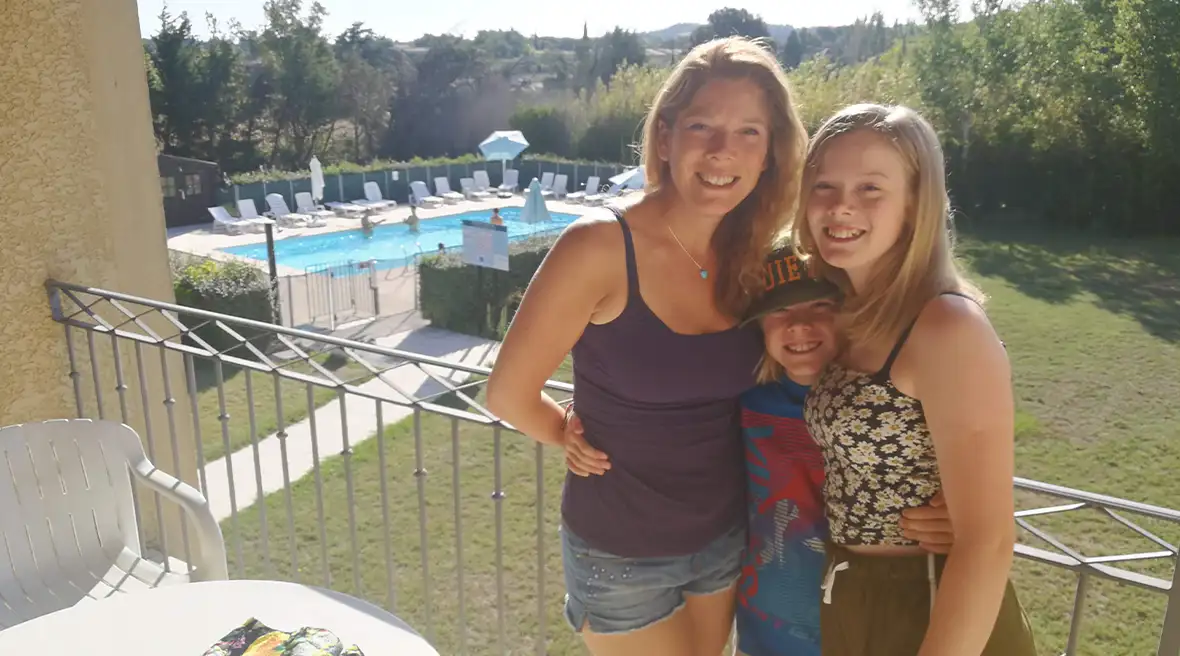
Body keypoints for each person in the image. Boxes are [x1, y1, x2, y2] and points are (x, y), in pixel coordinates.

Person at [487, 37, 809, 656]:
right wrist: (564, 434)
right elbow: (506, 392)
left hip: (723, 537)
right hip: (619, 553)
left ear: (770, 153)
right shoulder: (598, 248)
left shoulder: (759, 256)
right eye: (701, 125)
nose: (723, 150)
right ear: (665, 138)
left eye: (749, 131)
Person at [795, 104, 1037, 655]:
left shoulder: (946, 327)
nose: (840, 207)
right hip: (852, 593)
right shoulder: (847, 311)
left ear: (914, 205)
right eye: (824, 185)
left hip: (933, 601)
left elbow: (988, 541)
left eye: (871, 189)